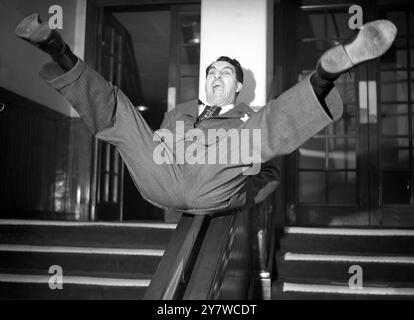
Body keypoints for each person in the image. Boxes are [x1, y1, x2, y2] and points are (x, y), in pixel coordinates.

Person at [15, 14, 397, 214]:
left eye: (225, 74)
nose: (215, 77)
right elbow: (158, 148)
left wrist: (241, 193)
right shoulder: (178, 113)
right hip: (164, 177)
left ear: (236, 88)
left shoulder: (249, 116)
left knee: (255, 133)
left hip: (218, 184)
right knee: (121, 114)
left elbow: (270, 178)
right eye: (211, 72)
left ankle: (324, 76)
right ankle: (59, 51)